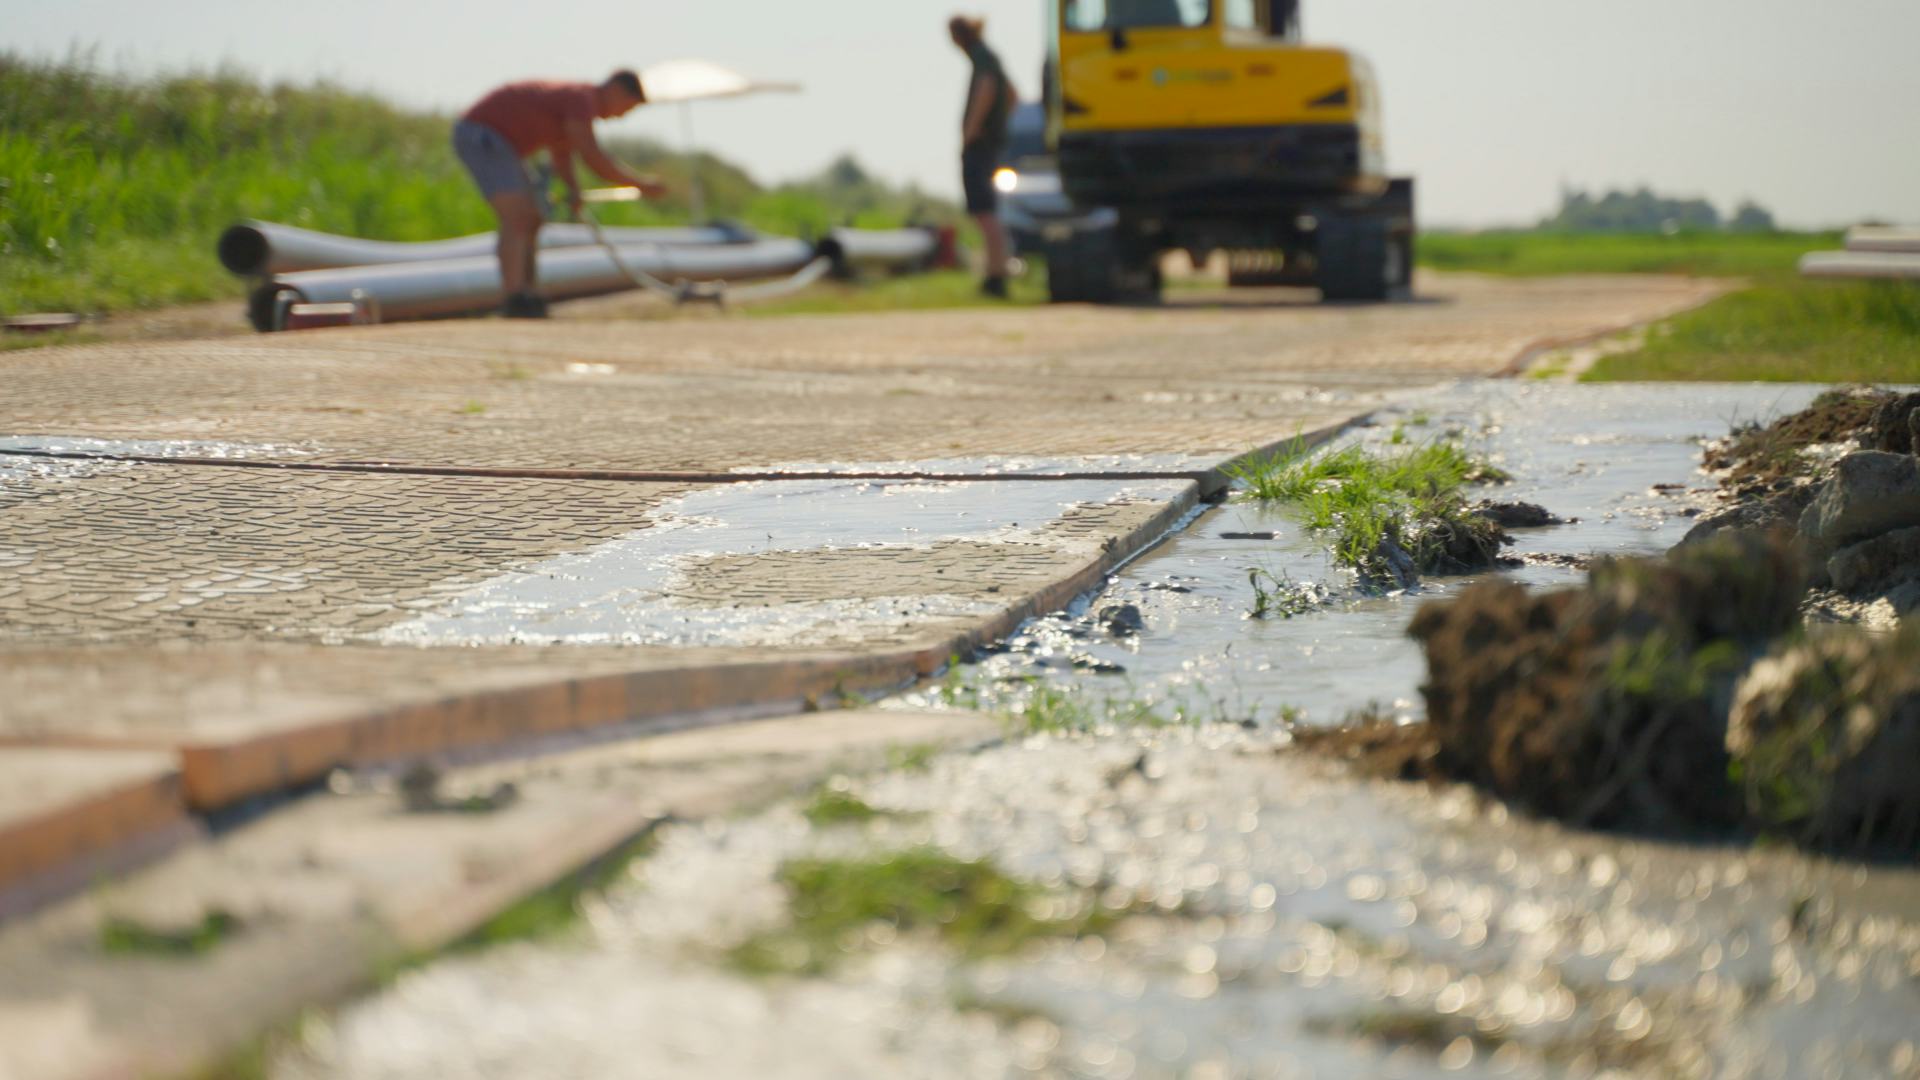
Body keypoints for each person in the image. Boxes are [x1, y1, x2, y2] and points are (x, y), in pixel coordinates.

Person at [453, 71, 669, 318]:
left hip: (505, 146)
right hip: (482, 135)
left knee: (532, 217)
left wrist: (573, 190)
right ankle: (514, 297)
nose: (621, 116)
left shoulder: (576, 105)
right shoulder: (581, 100)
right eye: (626, 108)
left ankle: (527, 292)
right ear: (616, 91)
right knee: (518, 216)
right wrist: (641, 184)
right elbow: (593, 156)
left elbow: (562, 153)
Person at [949, 16, 1017, 298]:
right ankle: (996, 272)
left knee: (984, 213)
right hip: (992, 143)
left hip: (980, 145)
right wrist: (999, 123)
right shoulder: (989, 56)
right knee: (988, 212)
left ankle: (996, 275)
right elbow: (1012, 95)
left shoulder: (982, 58)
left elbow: (988, 87)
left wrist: (972, 130)